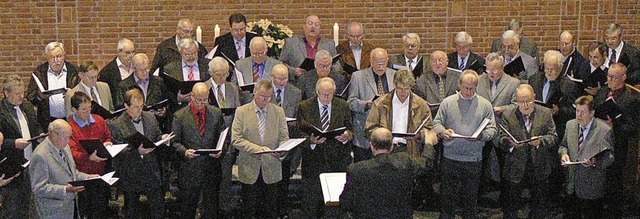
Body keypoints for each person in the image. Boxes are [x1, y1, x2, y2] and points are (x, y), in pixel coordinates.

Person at [432, 70, 497, 219]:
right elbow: (436, 123)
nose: (469, 91)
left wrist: (482, 136)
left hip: (473, 159)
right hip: (450, 158)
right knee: (447, 199)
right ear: (459, 85)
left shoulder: (485, 105)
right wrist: (443, 132)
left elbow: (493, 129)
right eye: (466, 87)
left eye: (472, 88)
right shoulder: (448, 102)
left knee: (470, 200)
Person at [497, 84, 558, 218]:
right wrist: (510, 143)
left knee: (539, 207)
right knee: (511, 207)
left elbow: (553, 137)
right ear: (516, 102)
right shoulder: (508, 114)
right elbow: (501, 138)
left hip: (539, 166)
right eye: (522, 101)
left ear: (534, 97)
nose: (526, 105)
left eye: (529, 100)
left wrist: (540, 141)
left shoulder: (545, 113)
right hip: (515, 167)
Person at [232, 79, 289, 218]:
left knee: (270, 211)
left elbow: (284, 137)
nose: (266, 100)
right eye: (263, 96)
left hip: (271, 168)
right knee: (250, 210)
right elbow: (236, 139)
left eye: (269, 97)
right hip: (250, 168)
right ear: (255, 92)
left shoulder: (278, 111)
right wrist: (257, 148)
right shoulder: (242, 111)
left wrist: (282, 150)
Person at [339, 127, 426, 218]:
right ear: (392, 146)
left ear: (371, 146)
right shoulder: (405, 162)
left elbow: (345, 202)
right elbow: (426, 163)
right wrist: (429, 144)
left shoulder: (355, 170)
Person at [298, 77, 353, 218]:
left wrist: (346, 136)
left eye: (330, 93)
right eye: (323, 94)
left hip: (337, 160)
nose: (327, 97)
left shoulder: (343, 105)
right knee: (311, 205)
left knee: (334, 206)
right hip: (313, 162)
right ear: (317, 92)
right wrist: (310, 140)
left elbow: (351, 130)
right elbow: (298, 132)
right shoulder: (305, 106)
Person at [109, 88, 168, 219]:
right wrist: (137, 152)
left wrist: (163, 139)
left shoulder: (151, 117)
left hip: (151, 171)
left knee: (159, 210)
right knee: (132, 212)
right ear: (126, 106)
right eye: (136, 107)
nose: (140, 110)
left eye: (141, 106)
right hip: (131, 173)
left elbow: (156, 136)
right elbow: (118, 151)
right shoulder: (117, 125)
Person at [171, 82, 226, 219]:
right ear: (192, 96)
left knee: (211, 210)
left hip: (211, 170)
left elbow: (224, 138)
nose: (202, 103)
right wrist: (184, 152)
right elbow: (174, 142)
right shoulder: (180, 116)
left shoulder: (216, 113)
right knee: (188, 210)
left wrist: (221, 151)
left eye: (205, 99)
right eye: (198, 99)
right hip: (190, 170)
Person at [593, 63, 640, 216]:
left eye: (614, 77)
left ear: (624, 78)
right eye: (609, 76)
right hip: (599, 143)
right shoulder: (602, 93)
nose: (610, 79)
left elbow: (633, 127)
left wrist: (615, 125)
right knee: (600, 180)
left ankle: (614, 212)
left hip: (618, 146)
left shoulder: (631, 99)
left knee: (614, 182)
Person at [30, 119, 98, 219]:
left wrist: (88, 177)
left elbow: (72, 172)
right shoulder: (40, 155)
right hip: (54, 211)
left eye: (69, 137)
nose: (68, 141)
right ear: (53, 135)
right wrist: (65, 189)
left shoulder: (64, 147)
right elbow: (38, 188)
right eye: (65, 138)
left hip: (71, 206)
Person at [559, 95, 614, 218]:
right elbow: (563, 146)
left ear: (592, 113)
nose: (579, 115)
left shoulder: (603, 130)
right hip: (571, 185)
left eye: (583, 112)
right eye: (577, 111)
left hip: (591, 187)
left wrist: (595, 162)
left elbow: (609, 157)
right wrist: (564, 154)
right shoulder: (570, 125)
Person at [365, 69, 437, 158]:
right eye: (399, 88)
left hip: (411, 149)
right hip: (386, 150)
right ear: (394, 85)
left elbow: (430, 130)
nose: (403, 92)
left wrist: (418, 136)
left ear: (411, 87)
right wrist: (382, 136)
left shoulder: (421, 104)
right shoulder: (380, 103)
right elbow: (369, 128)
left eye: (406, 88)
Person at [0, 75, 44, 219]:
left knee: (30, 206)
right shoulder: (1, 112)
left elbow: (34, 126)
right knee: (13, 208)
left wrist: (39, 135)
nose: (21, 96)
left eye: (23, 92)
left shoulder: (27, 106)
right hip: (12, 165)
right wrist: (14, 143)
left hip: (31, 162)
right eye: (17, 94)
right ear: (6, 93)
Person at [204, 57, 241, 217]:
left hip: (228, 142)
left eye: (225, 74)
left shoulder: (233, 88)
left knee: (226, 180)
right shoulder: (202, 88)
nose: (222, 78)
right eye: (218, 74)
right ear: (210, 73)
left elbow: (238, 115)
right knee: (207, 181)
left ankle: (225, 211)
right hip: (208, 142)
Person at [67, 91, 113, 219]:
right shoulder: (70, 127)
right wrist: (88, 158)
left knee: (101, 208)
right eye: (83, 110)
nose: (88, 113)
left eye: (89, 108)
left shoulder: (98, 120)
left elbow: (107, 135)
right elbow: (72, 153)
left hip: (101, 172)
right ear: (73, 109)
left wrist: (108, 144)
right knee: (85, 209)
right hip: (83, 176)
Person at [348, 48, 396, 162]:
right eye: (377, 62)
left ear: (387, 60)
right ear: (370, 61)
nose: (381, 66)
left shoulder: (394, 75)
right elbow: (350, 102)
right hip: (365, 134)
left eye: (383, 62)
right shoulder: (358, 77)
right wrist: (366, 104)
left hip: (389, 131)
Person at [269, 63, 303, 218]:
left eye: (285, 78)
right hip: (269, 140)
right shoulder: (266, 91)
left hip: (288, 139)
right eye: (279, 79)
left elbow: (299, 116)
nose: (282, 82)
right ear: (272, 77)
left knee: (284, 179)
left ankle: (282, 210)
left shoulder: (295, 92)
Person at [27, 41, 80, 129]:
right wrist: (40, 96)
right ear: (47, 58)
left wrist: (72, 94)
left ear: (64, 55)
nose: (56, 61)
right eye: (52, 57)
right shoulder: (39, 72)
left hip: (71, 119)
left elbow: (83, 97)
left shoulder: (74, 71)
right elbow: (30, 98)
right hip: (47, 121)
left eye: (59, 56)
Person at [528, 50, 579, 142]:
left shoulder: (568, 85)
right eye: (546, 68)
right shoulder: (534, 79)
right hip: (536, 128)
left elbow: (574, 111)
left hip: (556, 130)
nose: (549, 72)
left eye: (553, 69)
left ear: (560, 68)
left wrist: (559, 110)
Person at [117, 53, 170, 131]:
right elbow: (121, 109)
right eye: (141, 70)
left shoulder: (158, 82)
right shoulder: (124, 85)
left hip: (156, 126)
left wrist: (164, 111)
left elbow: (167, 101)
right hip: (134, 126)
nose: (145, 72)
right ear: (134, 69)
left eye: (147, 68)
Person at [162, 38, 211, 110]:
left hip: (205, 109)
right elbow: (166, 92)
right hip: (181, 110)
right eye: (187, 55)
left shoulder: (208, 65)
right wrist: (178, 98)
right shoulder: (170, 69)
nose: (191, 57)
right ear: (180, 52)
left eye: (194, 53)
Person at [234, 37, 283, 103]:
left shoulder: (276, 65)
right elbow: (233, 88)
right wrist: (240, 92)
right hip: (246, 104)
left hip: (269, 104)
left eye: (260, 53)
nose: (257, 56)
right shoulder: (240, 65)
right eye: (254, 53)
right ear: (249, 49)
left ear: (266, 50)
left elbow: (280, 87)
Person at [414, 50, 461, 115]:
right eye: (434, 61)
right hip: (431, 116)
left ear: (447, 62)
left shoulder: (458, 76)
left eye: (440, 60)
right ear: (430, 63)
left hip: (454, 115)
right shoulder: (422, 79)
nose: (437, 63)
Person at [98, 38, 136, 104]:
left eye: (133, 52)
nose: (131, 56)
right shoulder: (107, 72)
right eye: (127, 53)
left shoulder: (136, 67)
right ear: (118, 52)